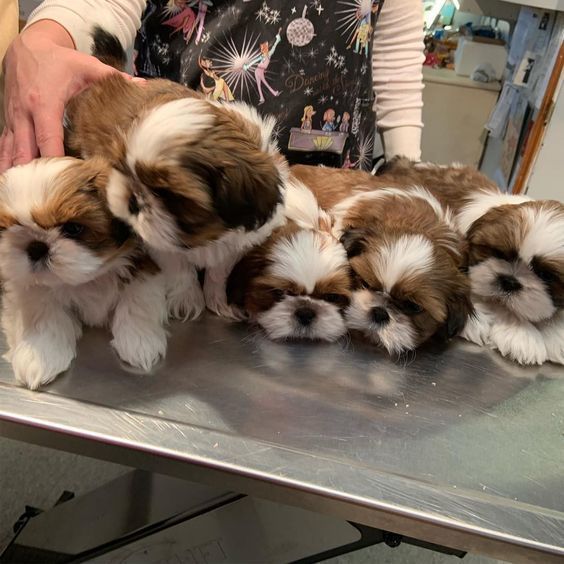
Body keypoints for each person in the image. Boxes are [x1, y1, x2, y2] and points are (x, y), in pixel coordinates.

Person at [0, 0, 425, 173]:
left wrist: (406, 167)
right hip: (175, 170)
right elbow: (104, 3)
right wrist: (45, 37)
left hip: (328, 181)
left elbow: (392, 50)